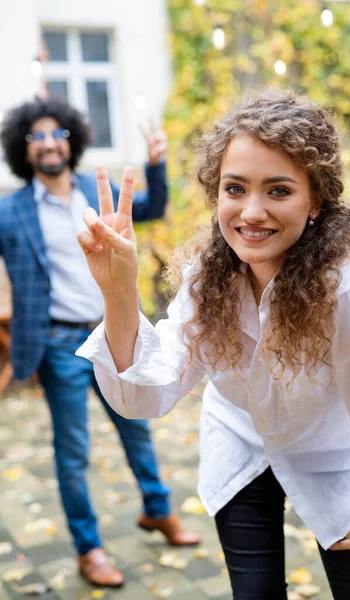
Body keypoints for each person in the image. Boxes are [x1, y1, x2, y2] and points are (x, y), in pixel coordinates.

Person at [77, 88, 350, 599]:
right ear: (216, 194)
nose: (251, 212)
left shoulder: (349, 295)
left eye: (278, 190)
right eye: (235, 188)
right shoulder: (208, 276)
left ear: (315, 199)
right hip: (241, 441)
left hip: (340, 459)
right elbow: (145, 395)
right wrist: (118, 290)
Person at [0, 97, 200, 589]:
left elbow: (151, 206)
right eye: (36, 137)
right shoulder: (9, 211)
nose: (48, 143)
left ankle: (157, 511)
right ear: (23, 150)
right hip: (56, 342)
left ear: (71, 139)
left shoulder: (96, 190)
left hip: (110, 330)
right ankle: (89, 547)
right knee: (73, 450)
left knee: (137, 426)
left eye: (56, 134)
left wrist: (156, 162)